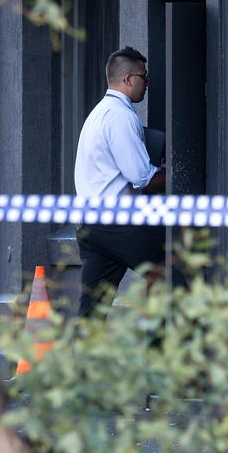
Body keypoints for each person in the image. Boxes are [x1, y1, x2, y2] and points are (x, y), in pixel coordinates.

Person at [74, 46, 168, 317]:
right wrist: (176, 177)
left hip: (92, 227)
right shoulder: (120, 116)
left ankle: (79, 359)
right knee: (170, 273)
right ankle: (158, 348)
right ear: (128, 79)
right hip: (118, 224)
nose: (147, 83)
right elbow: (142, 178)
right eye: (144, 76)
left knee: (91, 311)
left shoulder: (98, 114)